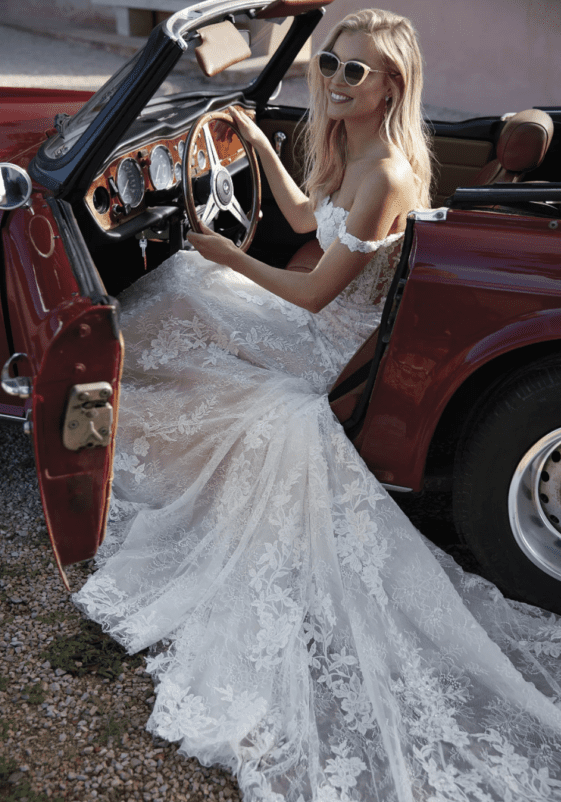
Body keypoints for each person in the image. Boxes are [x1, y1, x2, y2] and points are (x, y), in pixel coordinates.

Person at [74, 9, 561, 802]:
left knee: (185, 288)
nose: (334, 81)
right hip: (321, 319)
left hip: (327, 345)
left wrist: (231, 256)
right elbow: (305, 220)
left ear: (391, 84)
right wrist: (257, 144)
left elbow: (310, 297)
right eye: (329, 64)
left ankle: (95, 420)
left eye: (354, 71)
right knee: (184, 291)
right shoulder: (354, 151)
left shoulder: (390, 175)